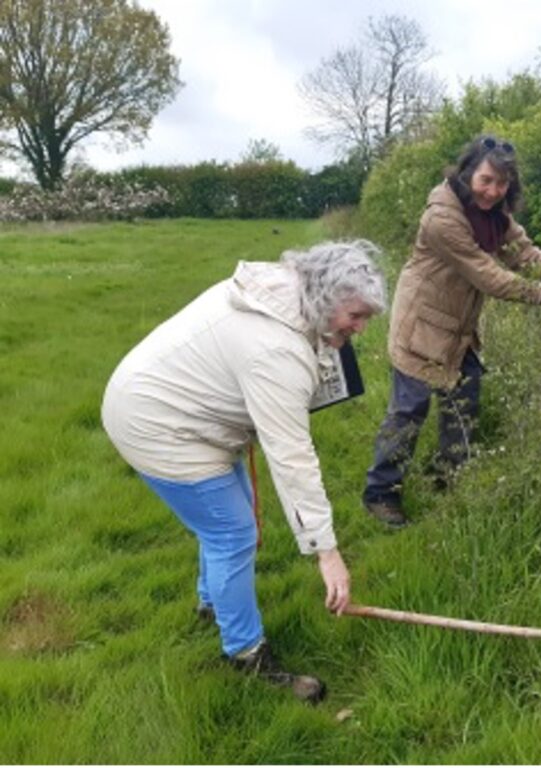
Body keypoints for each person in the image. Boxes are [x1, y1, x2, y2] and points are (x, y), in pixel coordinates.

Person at [102, 240, 387, 703]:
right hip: (156, 425)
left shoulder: (282, 290)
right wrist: (326, 551)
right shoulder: (276, 350)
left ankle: (211, 604)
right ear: (326, 298)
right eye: (355, 316)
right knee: (232, 532)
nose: (361, 328)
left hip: (168, 407)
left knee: (229, 519)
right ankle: (246, 654)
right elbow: (292, 457)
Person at [362, 134, 541, 528]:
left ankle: (450, 480)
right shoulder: (441, 218)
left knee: (465, 398)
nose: (493, 191)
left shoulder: (495, 216)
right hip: (421, 323)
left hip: (459, 327)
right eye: (486, 180)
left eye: (502, 183)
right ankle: (381, 494)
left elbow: (524, 253)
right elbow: (489, 275)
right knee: (409, 410)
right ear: (468, 172)